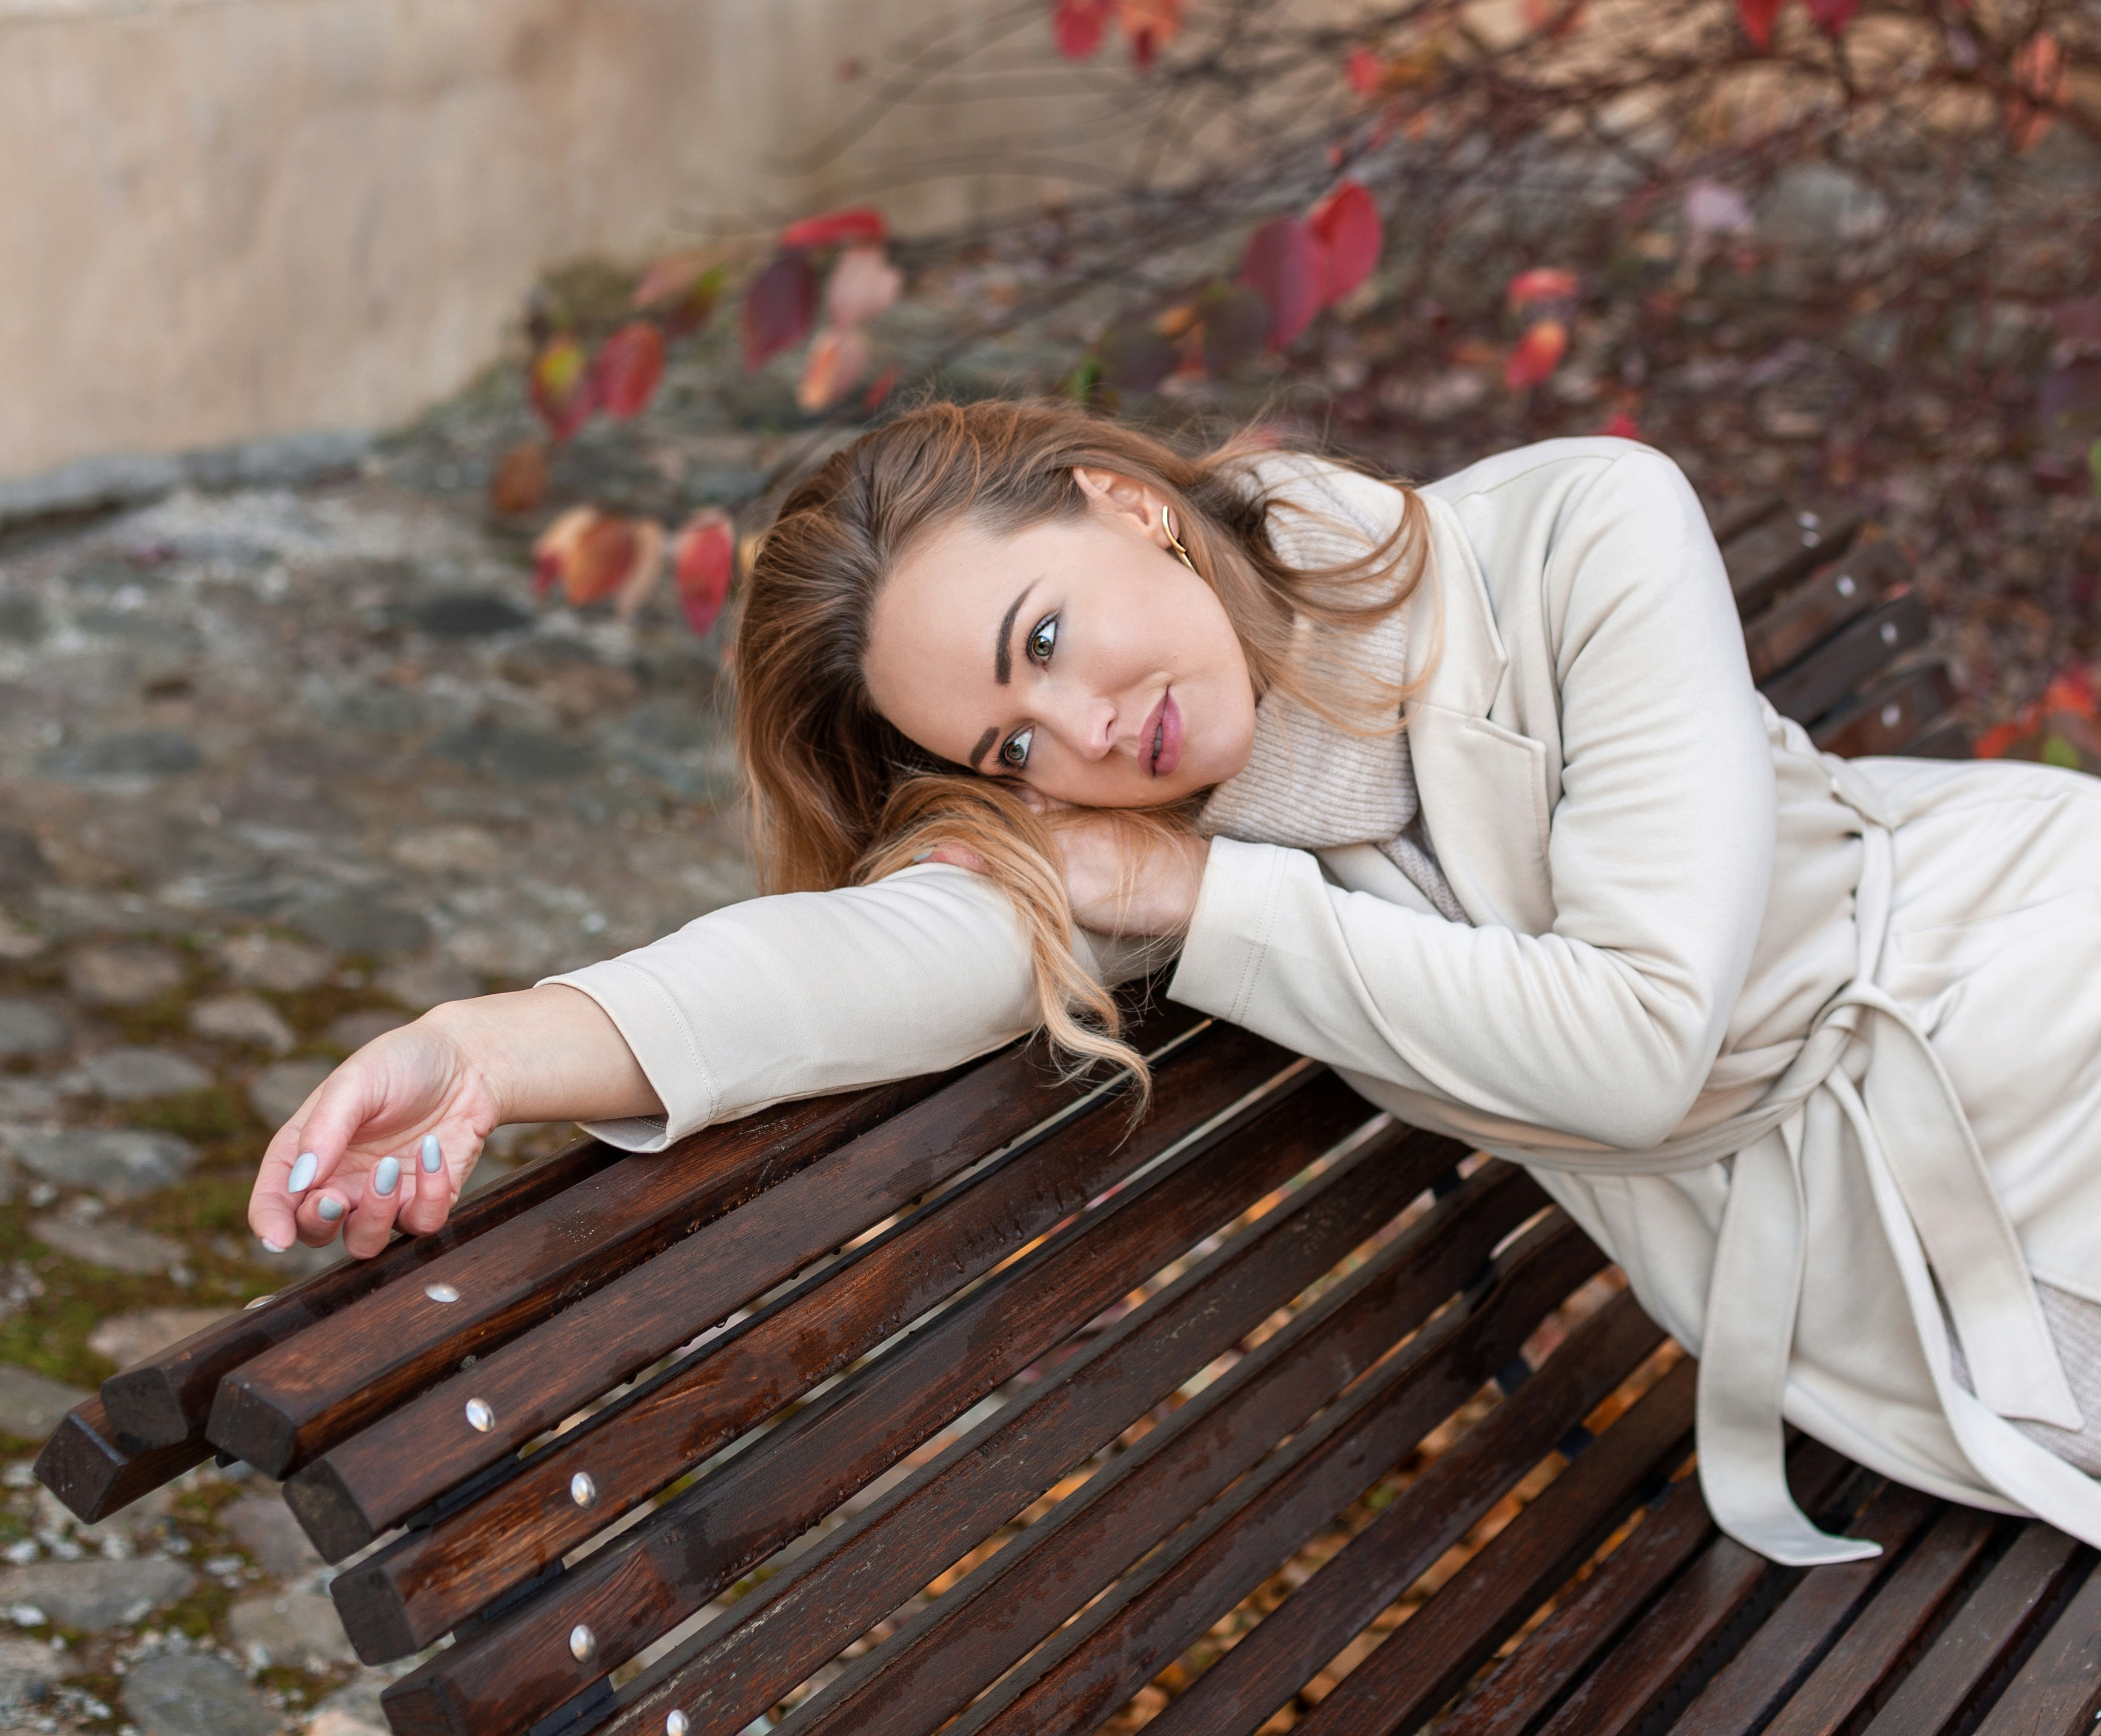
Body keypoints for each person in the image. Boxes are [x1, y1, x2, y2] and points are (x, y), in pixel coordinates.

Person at [245, 398, 2101, 1566]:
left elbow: (1633, 1040)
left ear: (1129, 503)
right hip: (1891, 1276)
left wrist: (1208, 896)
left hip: (2032, 989)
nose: (1077, 729)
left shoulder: (1577, 531)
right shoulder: (1153, 840)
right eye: (1011, 737)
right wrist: (481, 1044)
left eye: (1042, 634)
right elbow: (849, 963)